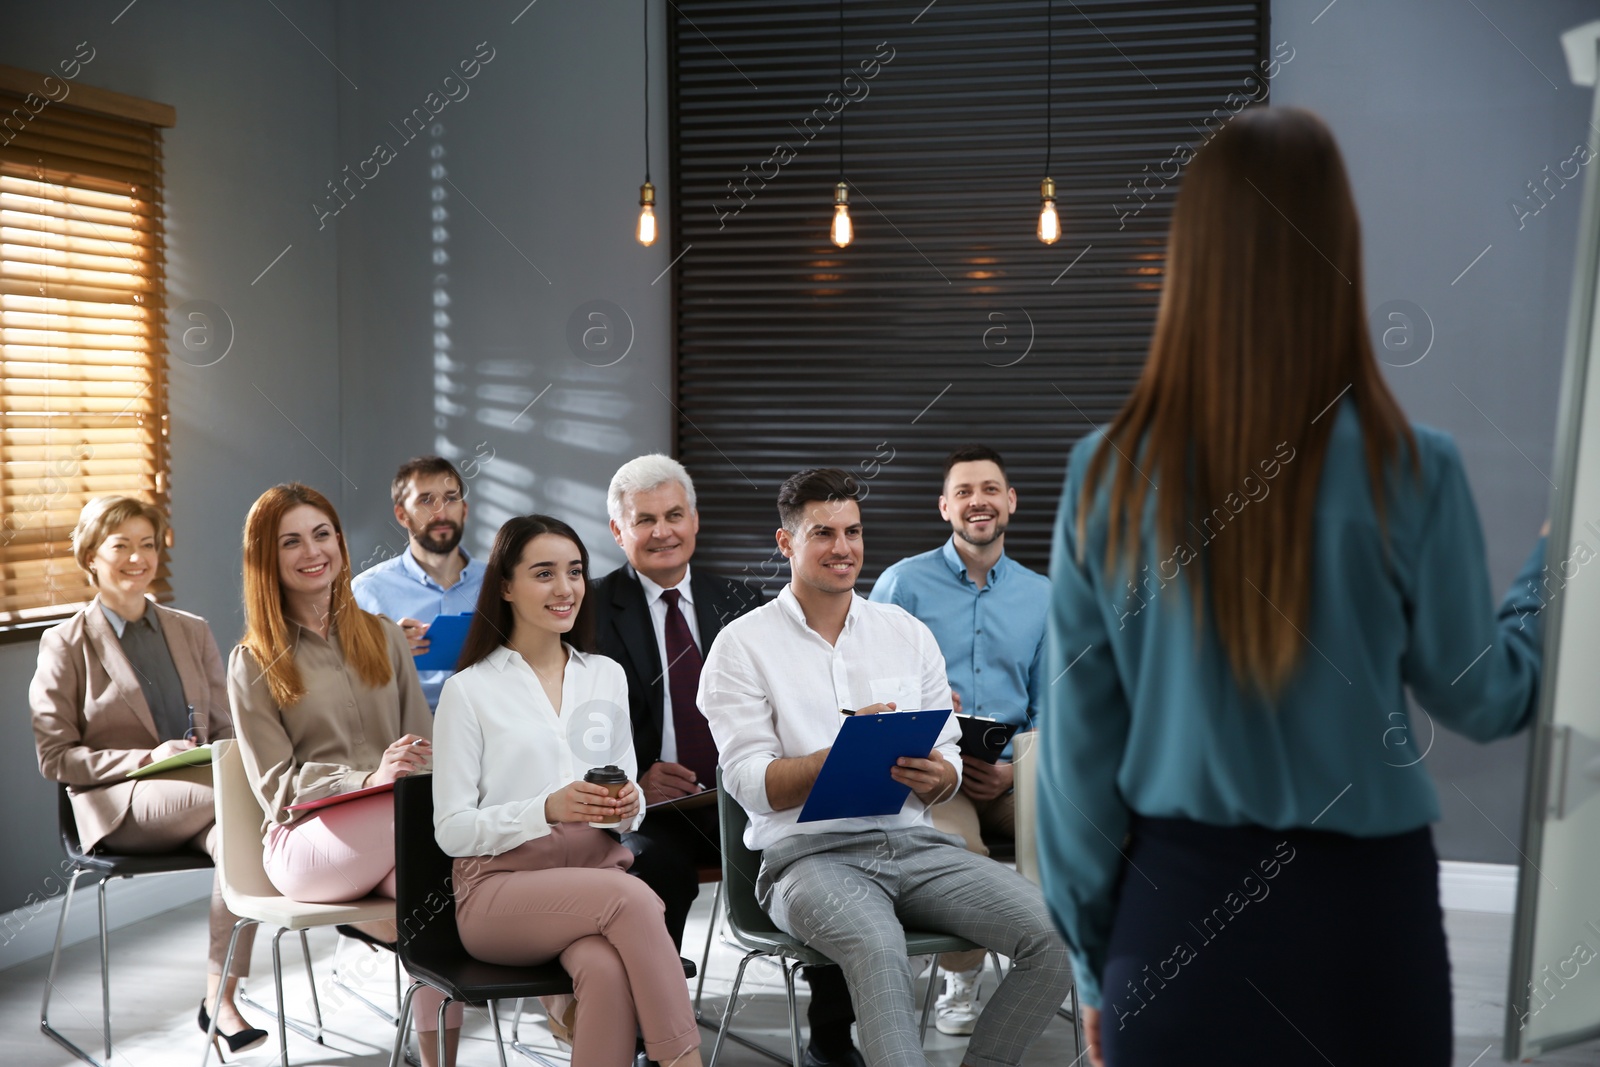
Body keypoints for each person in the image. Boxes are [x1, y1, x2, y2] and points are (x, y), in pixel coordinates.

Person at [1036, 106, 1546, 1067]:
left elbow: (1075, 765)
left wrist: (1097, 954)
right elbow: (1486, 692)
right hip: (1369, 926)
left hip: (1174, 919)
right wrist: (1552, 576)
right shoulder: (1413, 467)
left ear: (1190, 258)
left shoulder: (1105, 474)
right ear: (1336, 250)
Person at [701, 467, 1074, 1067]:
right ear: (786, 542)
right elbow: (748, 783)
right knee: (880, 946)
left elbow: (948, 751)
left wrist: (943, 777)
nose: (843, 548)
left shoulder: (905, 632)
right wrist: (837, 758)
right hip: (807, 857)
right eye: (823, 533)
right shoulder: (741, 647)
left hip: (916, 846)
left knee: (1054, 936)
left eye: (853, 531)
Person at [591, 454, 861, 1067]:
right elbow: (575, 724)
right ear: (618, 531)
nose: (663, 531)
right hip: (654, 809)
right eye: (645, 520)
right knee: (654, 870)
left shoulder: (742, 602)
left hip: (755, 795)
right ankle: (648, 1039)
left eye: (675, 515)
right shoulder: (588, 608)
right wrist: (634, 777)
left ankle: (830, 1038)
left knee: (830, 855)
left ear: (695, 520)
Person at [433, 513, 703, 1067]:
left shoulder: (605, 675)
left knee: (605, 970)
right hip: (500, 890)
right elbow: (452, 830)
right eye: (544, 573)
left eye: (575, 572)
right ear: (505, 586)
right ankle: (685, 1061)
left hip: (593, 877)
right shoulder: (470, 692)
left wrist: (630, 805)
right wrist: (546, 808)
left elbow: (628, 803)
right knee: (633, 898)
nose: (565, 589)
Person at [227, 483, 461, 1067]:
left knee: (437, 904)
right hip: (305, 841)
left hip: (395, 833)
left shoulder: (383, 635)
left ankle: (438, 1063)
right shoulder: (253, 660)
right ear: (267, 558)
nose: (313, 551)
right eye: (291, 541)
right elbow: (277, 787)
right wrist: (369, 779)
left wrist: (409, 776)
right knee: (426, 841)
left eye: (322, 533)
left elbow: (423, 748)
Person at [30, 496, 266, 1057]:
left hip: (202, 795)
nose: (138, 557)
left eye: (148, 543)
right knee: (242, 803)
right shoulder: (65, 643)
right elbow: (56, 756)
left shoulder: (192, 630)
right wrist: (145, 760)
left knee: (244, 836)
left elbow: (228, 725)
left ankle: (221, 998)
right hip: (121, 806)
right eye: (121, 546)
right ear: (91, 556)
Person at [869, 444, 1052, 1036]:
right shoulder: (902, 585)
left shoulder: (1043, 597)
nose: (980, 501)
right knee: (958, 857)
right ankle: (962, 980)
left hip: (1008, 774)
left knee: (1084, 834)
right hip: (931, 776)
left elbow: (1056, 707)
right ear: (946, 507)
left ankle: (1069, 970)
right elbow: (866, 686)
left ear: (1011, 502)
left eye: (991, 490)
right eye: (966, 492)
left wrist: (1012, 773)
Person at [352, 455, 486, 710]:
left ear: (464, 510)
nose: (441, 513)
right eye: (426, 500)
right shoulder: (366, 591)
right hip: (404, 733)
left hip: (486, 729)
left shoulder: (499, 583)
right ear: (402, 515)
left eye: (450, 499)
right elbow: (342, 678)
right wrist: (384, 648)